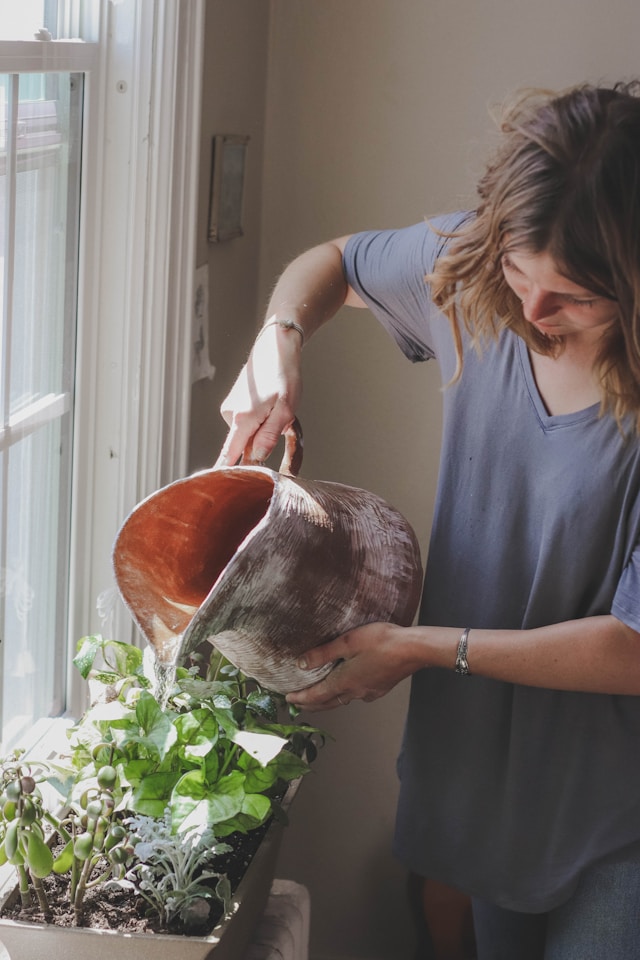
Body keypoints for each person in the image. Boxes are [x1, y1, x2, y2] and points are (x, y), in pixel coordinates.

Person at [214, 81, 640, 959]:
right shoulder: (472, 271)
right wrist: (281, 335)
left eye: (576, 298)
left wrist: (418, 648)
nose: (533, 312)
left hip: (614, 810)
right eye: (522, 276)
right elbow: (334, 262)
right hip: (483, 790)